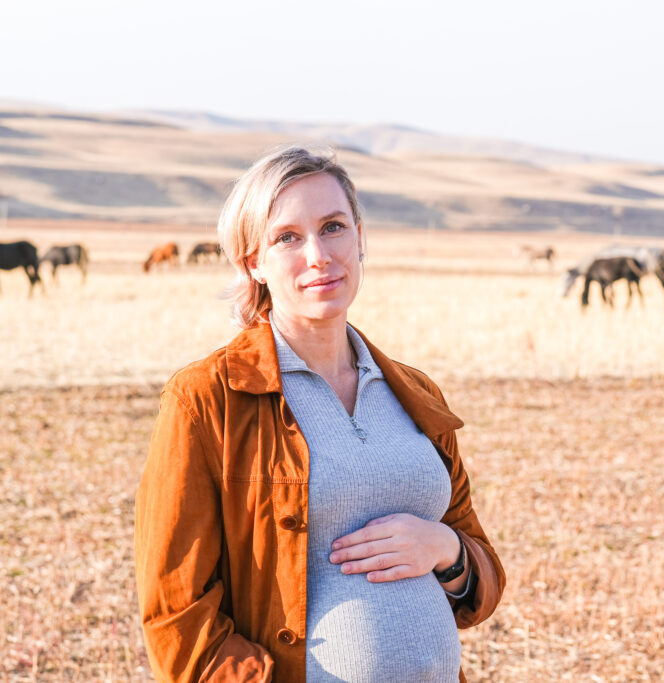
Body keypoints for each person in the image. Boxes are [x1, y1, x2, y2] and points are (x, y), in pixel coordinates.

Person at [134, 147, 505, 682]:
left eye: (333, 227)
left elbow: (482, 571)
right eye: (287, 237)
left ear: (359, 237)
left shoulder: (416, 392)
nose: (318, 255)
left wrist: (445, 549)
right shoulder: (206, 399)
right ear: (252, 262)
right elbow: (176, 615)